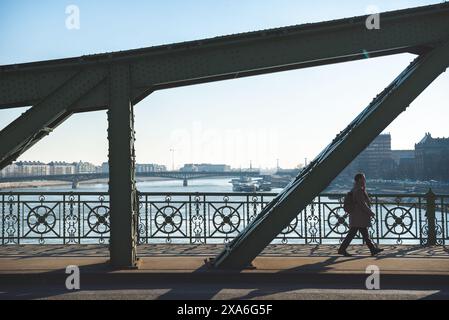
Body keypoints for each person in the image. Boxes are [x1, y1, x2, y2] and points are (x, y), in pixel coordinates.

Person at [338, 173, 384, 257]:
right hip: (359, 215)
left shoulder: (356, 188)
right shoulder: (358, 190)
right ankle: (342, 249)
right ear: (359, 179)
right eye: (364, 178)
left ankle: (372, 249)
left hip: (357, 215)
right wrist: (370, 212)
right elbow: (362, 204)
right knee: (354, 233)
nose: (365, 180)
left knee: (363, 233)